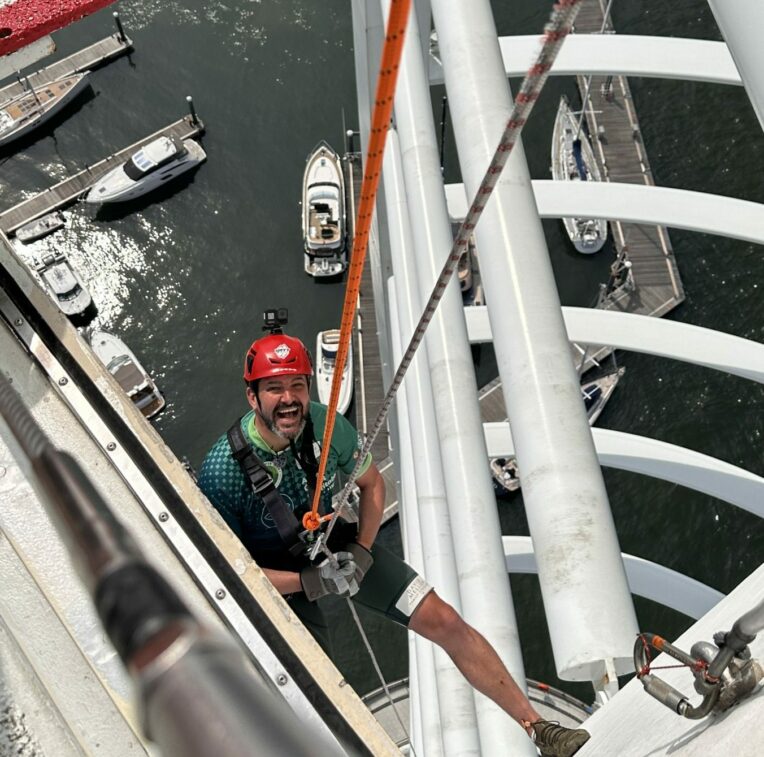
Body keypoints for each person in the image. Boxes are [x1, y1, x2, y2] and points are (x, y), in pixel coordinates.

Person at [198, 330, 591, 757]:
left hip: (331, 545)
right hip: (275, 580)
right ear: (252, 396)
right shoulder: (223, 472)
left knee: (445, 621)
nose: (289, 398)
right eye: (274, 388)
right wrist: (312, 583)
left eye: (297, 385)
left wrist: (363, 552)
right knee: (313, 695)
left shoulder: (326, 425)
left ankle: (539, 728)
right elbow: (230, 574)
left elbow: (372, 484)